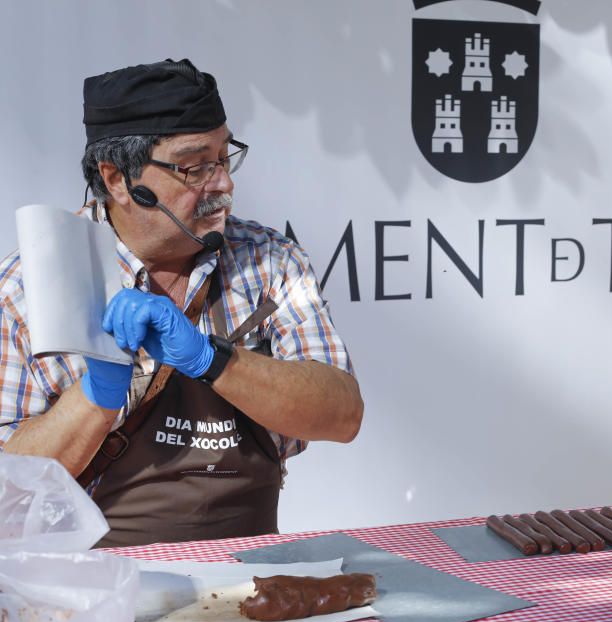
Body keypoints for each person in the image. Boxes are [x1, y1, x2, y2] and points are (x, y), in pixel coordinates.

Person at [0, 58, 364, 547]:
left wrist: (212, 359)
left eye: (224, 156)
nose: (224, 184)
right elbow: (9, 492)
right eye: (195, 167)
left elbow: (342, 415)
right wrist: (97, 394)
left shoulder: (270, 261)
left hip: (251, 575)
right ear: (116, 180)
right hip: (98, 585)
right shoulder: (31, 286)